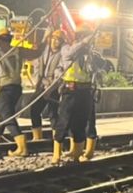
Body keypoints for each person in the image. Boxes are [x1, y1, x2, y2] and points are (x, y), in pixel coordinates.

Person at [52, 30, 98, 164]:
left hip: (85, 92)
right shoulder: (67, 49)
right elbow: (69, 54)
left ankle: (77, 155)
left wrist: (90, 52)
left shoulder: (88, 54)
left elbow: (97, 67)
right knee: (63, 122)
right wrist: (83, 43)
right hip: (70, 91)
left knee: (80, 124)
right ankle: (56, 155)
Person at [0, 28, 28, 157]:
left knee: (7, 116)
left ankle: (22, 147)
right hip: (16, 88)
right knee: (2, 118)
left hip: (6, 88)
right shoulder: (17, 52)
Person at [29, 30, 63, 142]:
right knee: (34, 109)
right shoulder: (46, 50)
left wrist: (51, 88)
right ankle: (37, 137)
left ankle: (57, 141)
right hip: (42, 86)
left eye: (58, 39)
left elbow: (60, 75)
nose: (55, 41)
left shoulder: (62, 54)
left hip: (54, 88)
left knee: (53, 114)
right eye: (53, 38)